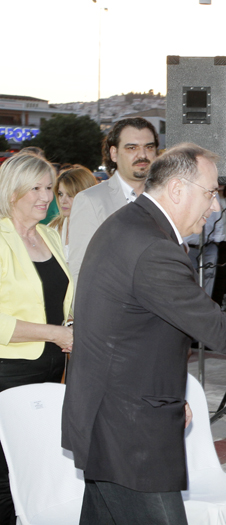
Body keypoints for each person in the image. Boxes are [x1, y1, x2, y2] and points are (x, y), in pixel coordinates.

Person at [61, 144, 226, 524]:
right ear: (177, 190)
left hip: (113, 418)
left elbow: (135, 333)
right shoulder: (152, 247)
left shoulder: (132, 225)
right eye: (210, 193)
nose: (216, 207)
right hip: (127, 433)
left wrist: (169, 397)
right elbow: (218, 329)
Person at [0, 153, 74, 524]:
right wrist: (54, 333)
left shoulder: (49, 234)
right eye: (36, 188)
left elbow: (60, 298)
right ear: (12, 192)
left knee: (33, 468)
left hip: (50, 369)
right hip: (7, 372)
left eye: (50, 187)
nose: (46, 196)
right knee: (4, 474)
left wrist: (72, 324)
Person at [69, 117, 159, 291]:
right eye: (132, 148)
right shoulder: (91, 201)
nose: (142, 155)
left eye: (149, 147)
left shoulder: (167, 198)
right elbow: (79, 270)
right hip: (114, 311)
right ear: (114, 153)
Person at [48, 165, 97, 261]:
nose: (63, 200)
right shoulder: (52, 228)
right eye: (60, 194)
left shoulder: (100, 229)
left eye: (70, 195)